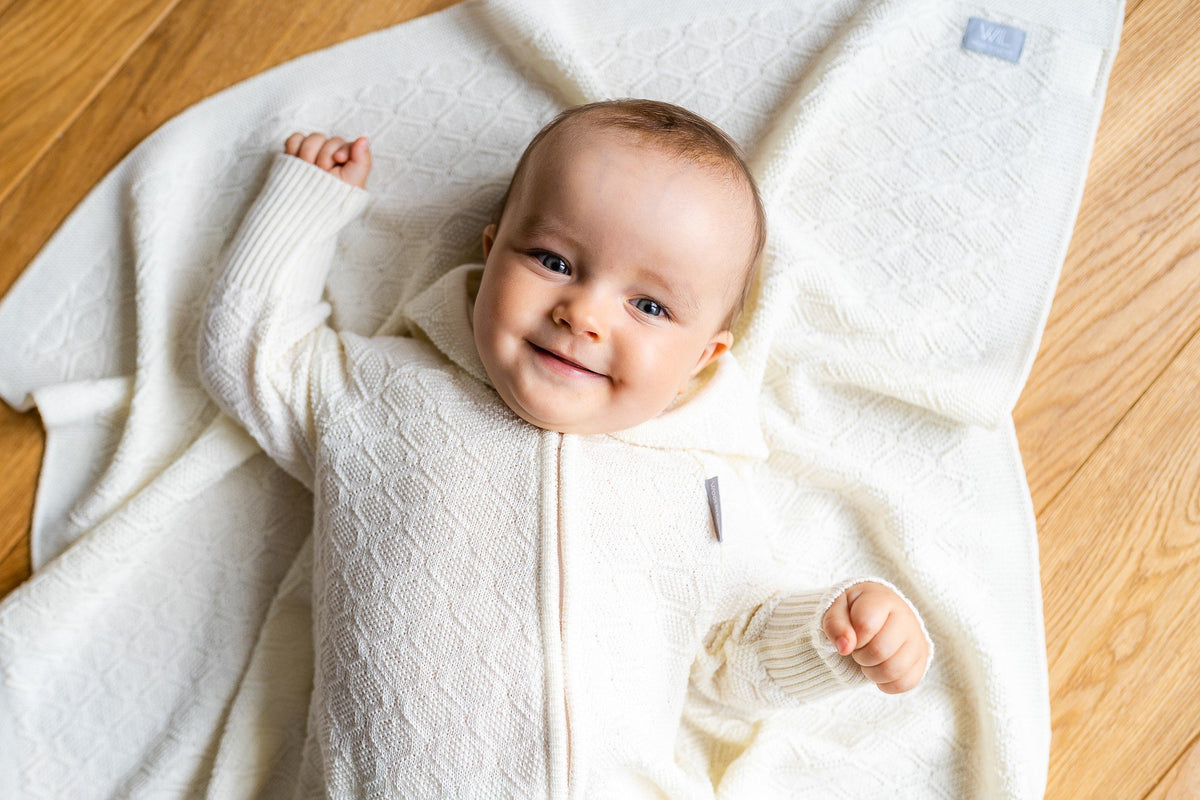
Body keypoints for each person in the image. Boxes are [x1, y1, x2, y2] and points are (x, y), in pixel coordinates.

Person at [198, 99, 932, 797]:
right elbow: (251, 352)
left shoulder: (701, 489)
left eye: (648, 306)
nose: (582, 313)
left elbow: (732, 663)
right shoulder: (383, 392)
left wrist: (839, 636)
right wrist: (303, 208)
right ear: (492, 254)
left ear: (703, 359)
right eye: (553, 260)